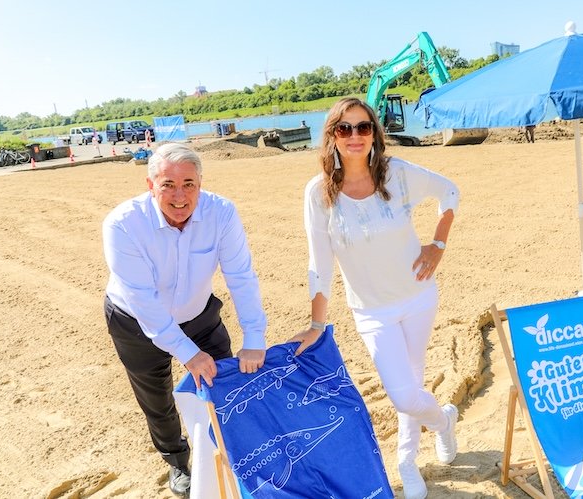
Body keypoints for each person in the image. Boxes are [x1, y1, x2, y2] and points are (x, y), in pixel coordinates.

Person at [290, 97, 459, 499]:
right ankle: (443, 421)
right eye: (344, 129)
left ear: (374, 133)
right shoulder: (319, 194)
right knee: (402, 392)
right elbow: (320, 263)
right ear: (331, 135)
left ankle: (405, 459)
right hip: (372, 311)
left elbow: (449, 192)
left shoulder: (397, 174)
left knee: (412, 382)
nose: (354, 136)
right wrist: (316, 324)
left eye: (363, 127)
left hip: (418, 297)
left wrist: (438, 242)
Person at [102, 143, 267, 497]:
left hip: (198, 314)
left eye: (189, 184)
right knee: (157, 399)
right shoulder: (123, 224)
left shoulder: (221, 213)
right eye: (167, 185)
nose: (180, 196)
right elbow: (144, 301)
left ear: (201, 183)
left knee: (224, 383)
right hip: (135, 322)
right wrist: (187, 354)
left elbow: (241, 276)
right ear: (150, 185)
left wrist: (254, 337)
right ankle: (178, 462)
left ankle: (235, 454)